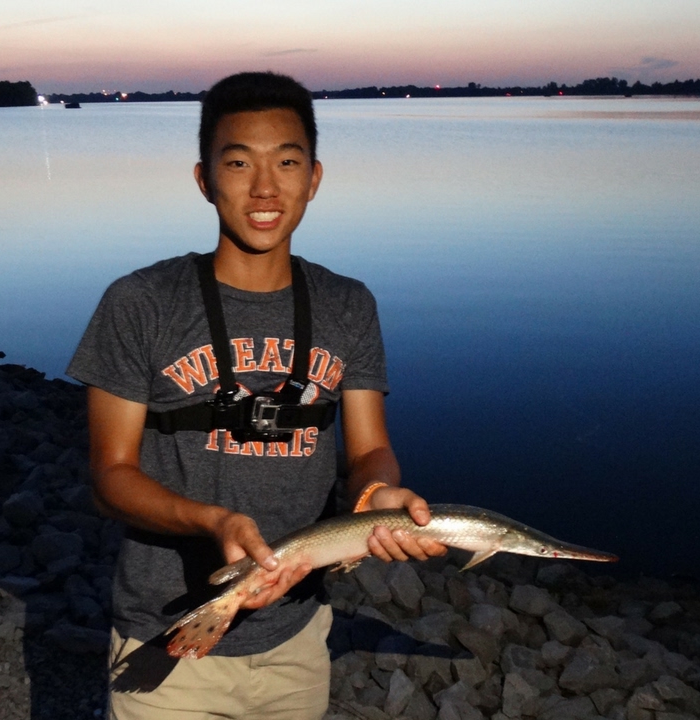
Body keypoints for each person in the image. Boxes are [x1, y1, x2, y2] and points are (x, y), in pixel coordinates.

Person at [66, 71, 446, 719]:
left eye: (287, 163)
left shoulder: (346, 305)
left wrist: (378, 495)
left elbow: (370, 449)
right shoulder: (142, 303)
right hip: (170, 634)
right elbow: (109, 478)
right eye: (239, 163)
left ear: (315, 179)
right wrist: (213, 521)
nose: (265, 188)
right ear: (204, 179)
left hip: (297, 636)